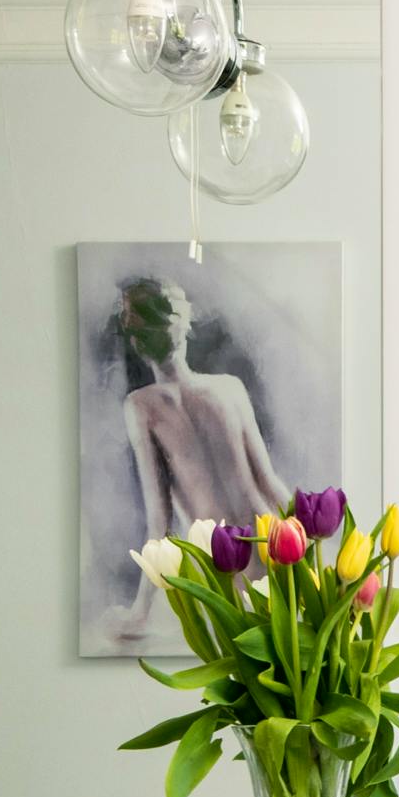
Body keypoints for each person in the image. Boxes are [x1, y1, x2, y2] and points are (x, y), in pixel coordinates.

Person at [107, 275, 290, 641]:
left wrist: (139, 614)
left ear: (137, 340)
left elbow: (161, 523)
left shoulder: (141, 406)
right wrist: (317, 549)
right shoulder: (229, 388)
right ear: (183, 325)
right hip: (272, 551)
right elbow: (269, 483)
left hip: (222, 565)